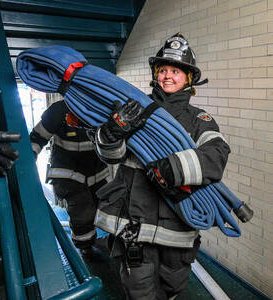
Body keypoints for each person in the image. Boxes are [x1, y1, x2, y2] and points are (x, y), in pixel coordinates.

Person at [92, 33, 231, 299]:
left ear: (188, 78)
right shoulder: (134, 110)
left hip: (177, 230)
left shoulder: (199, 120)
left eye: (175, 71)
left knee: (171, 288)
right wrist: (111, 132)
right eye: (163, 70)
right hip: (134, 225)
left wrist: (172, 169)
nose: (167, 76)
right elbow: (111, 156)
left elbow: (216, 155)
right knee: (140, 291)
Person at [29, 100, 109, 257]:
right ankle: (85, 247)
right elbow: (37, 137)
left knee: (103, 206)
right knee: (82, 211)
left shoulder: (102, 109)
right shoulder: (59, 110)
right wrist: (28, 159)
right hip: (68, 175)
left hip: (96, 174)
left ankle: (97, 241)